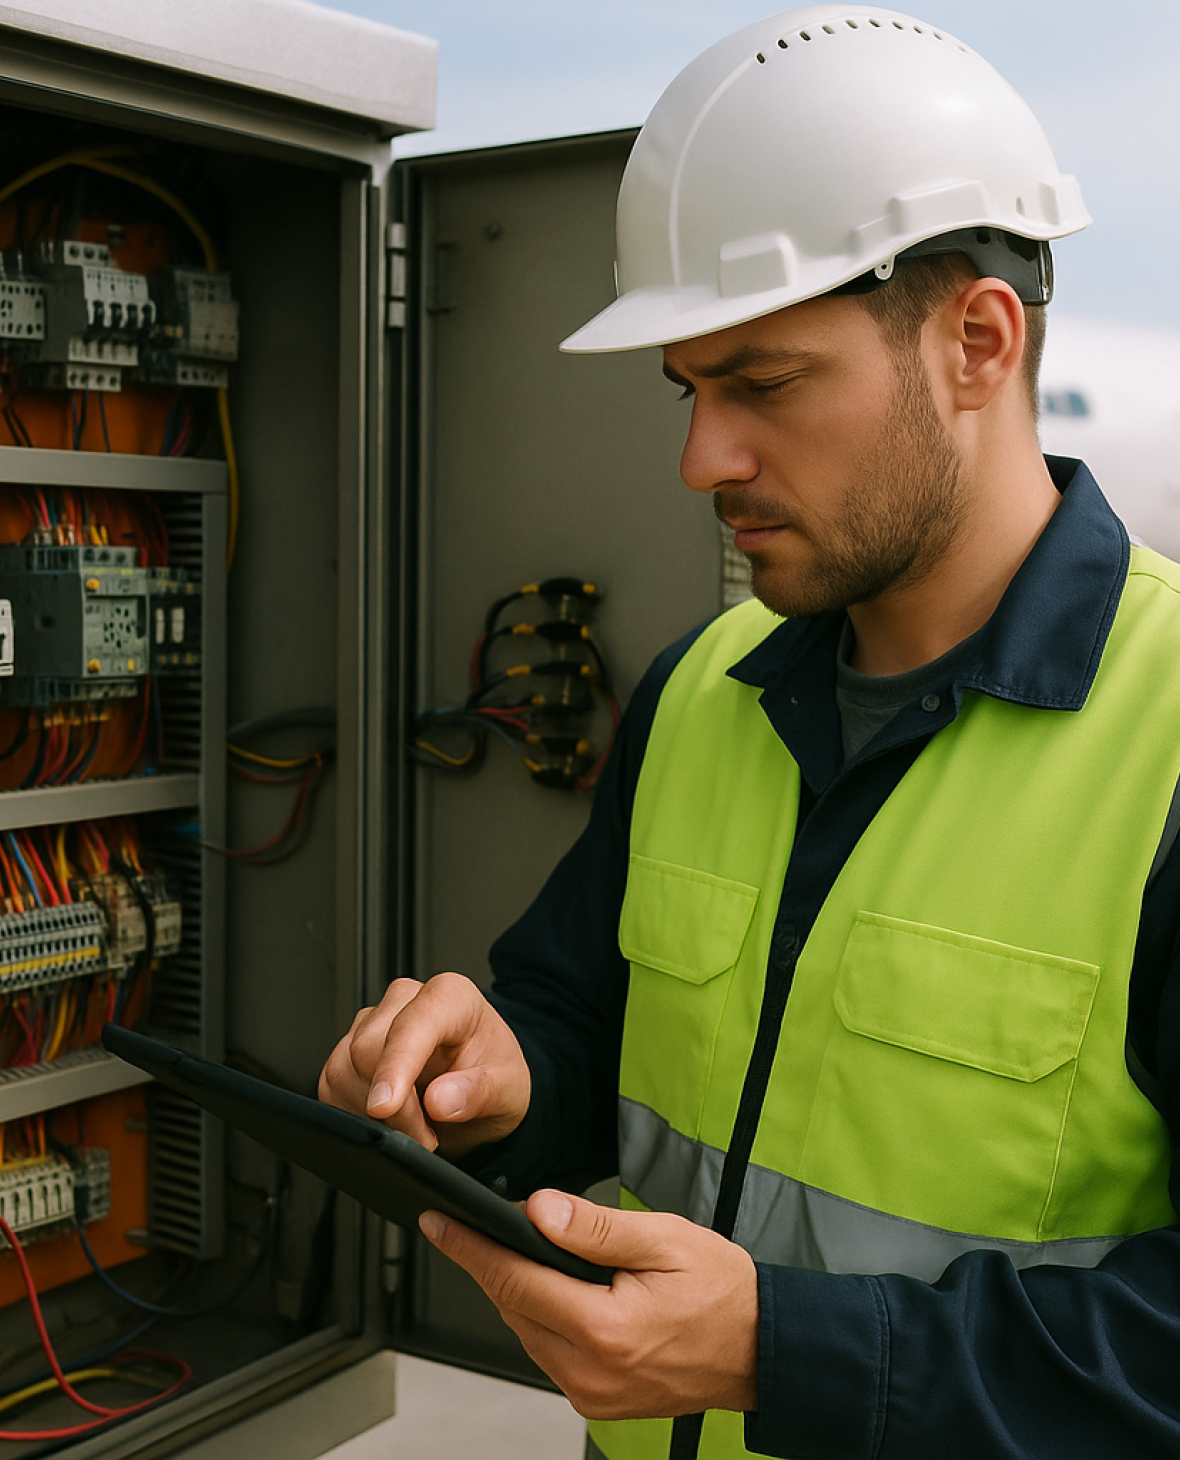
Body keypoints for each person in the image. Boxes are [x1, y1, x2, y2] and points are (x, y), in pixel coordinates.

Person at [319, 8, 1180, 1458]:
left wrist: (790, 1354)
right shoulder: (703, 685)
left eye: (764, 385)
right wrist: (498, 1082)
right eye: (691, 390)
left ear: (978, 340)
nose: (701, 458)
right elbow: (591, 1031)